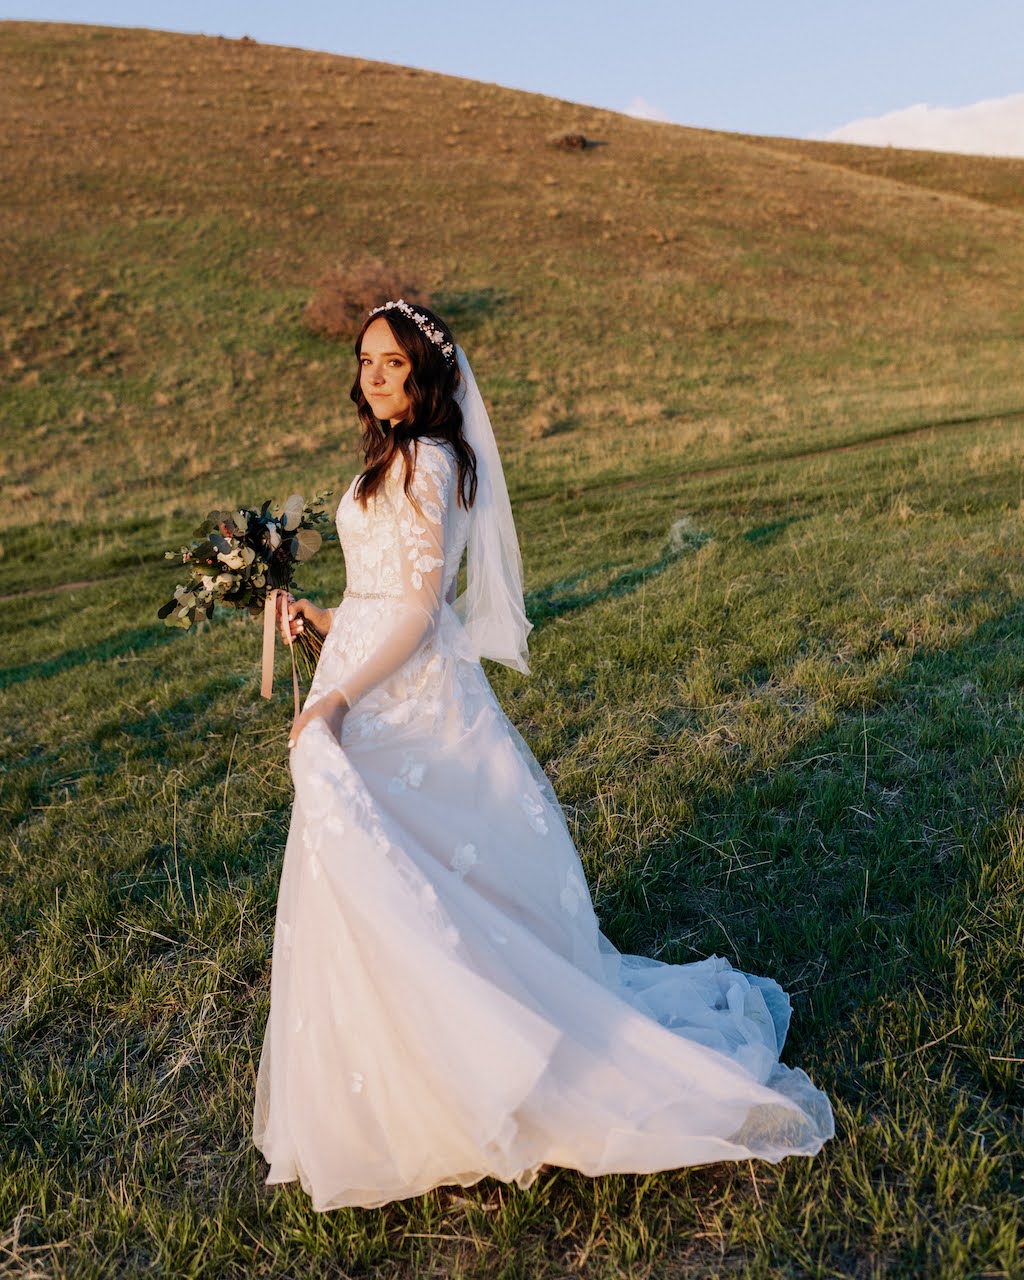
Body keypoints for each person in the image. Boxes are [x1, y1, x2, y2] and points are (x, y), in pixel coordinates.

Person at [252, 300, 834, 1211]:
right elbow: (378, 596)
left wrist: (332, 697)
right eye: (365, 359)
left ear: (425, 375)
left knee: (425, 880)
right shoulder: (387, 458)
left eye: (391, 361)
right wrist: (321, 620)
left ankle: (490, 1064)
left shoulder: (433, 460)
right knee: (385, 877)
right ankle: (401, 1073)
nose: (372, 373)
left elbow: (417, 610)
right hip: (368, 679)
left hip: (403, 701)